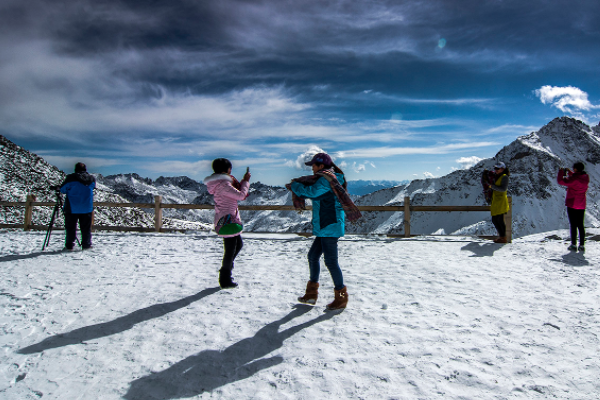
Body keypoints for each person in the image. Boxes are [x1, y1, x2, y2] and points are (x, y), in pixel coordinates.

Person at [287, 153, 362, 310]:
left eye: (314, 165)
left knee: (330, 262)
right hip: (325, 226)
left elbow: (311, 192)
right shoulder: (328, 178)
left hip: (330, 226)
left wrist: (295, 185)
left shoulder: (326, 180)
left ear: (321, 166)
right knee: (313, 256)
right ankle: (311, 295)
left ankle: (341, 298)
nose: (312, 168)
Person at [204, 158, 251, 289]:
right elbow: (241, 195)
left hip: (227, 219)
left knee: (237, 245)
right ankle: (225, 277)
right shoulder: (224, 184)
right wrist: (246, 181)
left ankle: (226, 269)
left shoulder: (220, 184)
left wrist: (243, 181)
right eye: (230, 168)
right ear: (227, 170)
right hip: (228, 220)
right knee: (230, 250)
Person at [60, 162, 96, 250]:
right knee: (86, 228)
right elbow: (93, 187)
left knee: (71, 227)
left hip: (72, 207)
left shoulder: (70, 178)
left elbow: (63, 190)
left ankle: (69, 245)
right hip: (87, 207)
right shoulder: (91, 178)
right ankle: (86, 244)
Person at [557, 162, 589, 252]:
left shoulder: (574, 179)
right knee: (580, 225)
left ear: (575, 169)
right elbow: (577, 178)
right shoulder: (585, 177)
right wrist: (570, 173)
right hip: (581, 204)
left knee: (573, 225)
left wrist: (560, 172)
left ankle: (573, 245)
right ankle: (582, 245)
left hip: (572, 204)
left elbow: (561, 181)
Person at [490, 161, 510, 244]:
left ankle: (503, 237)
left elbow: (503, 189)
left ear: (502, 169)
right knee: (495, 219)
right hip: (496, 201)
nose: (496, 170)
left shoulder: (504, 177)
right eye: (495, 168)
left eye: (497, 168)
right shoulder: (498, 176)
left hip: (501, 201)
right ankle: (502, 237)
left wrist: (493, 187)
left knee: (498, 219)